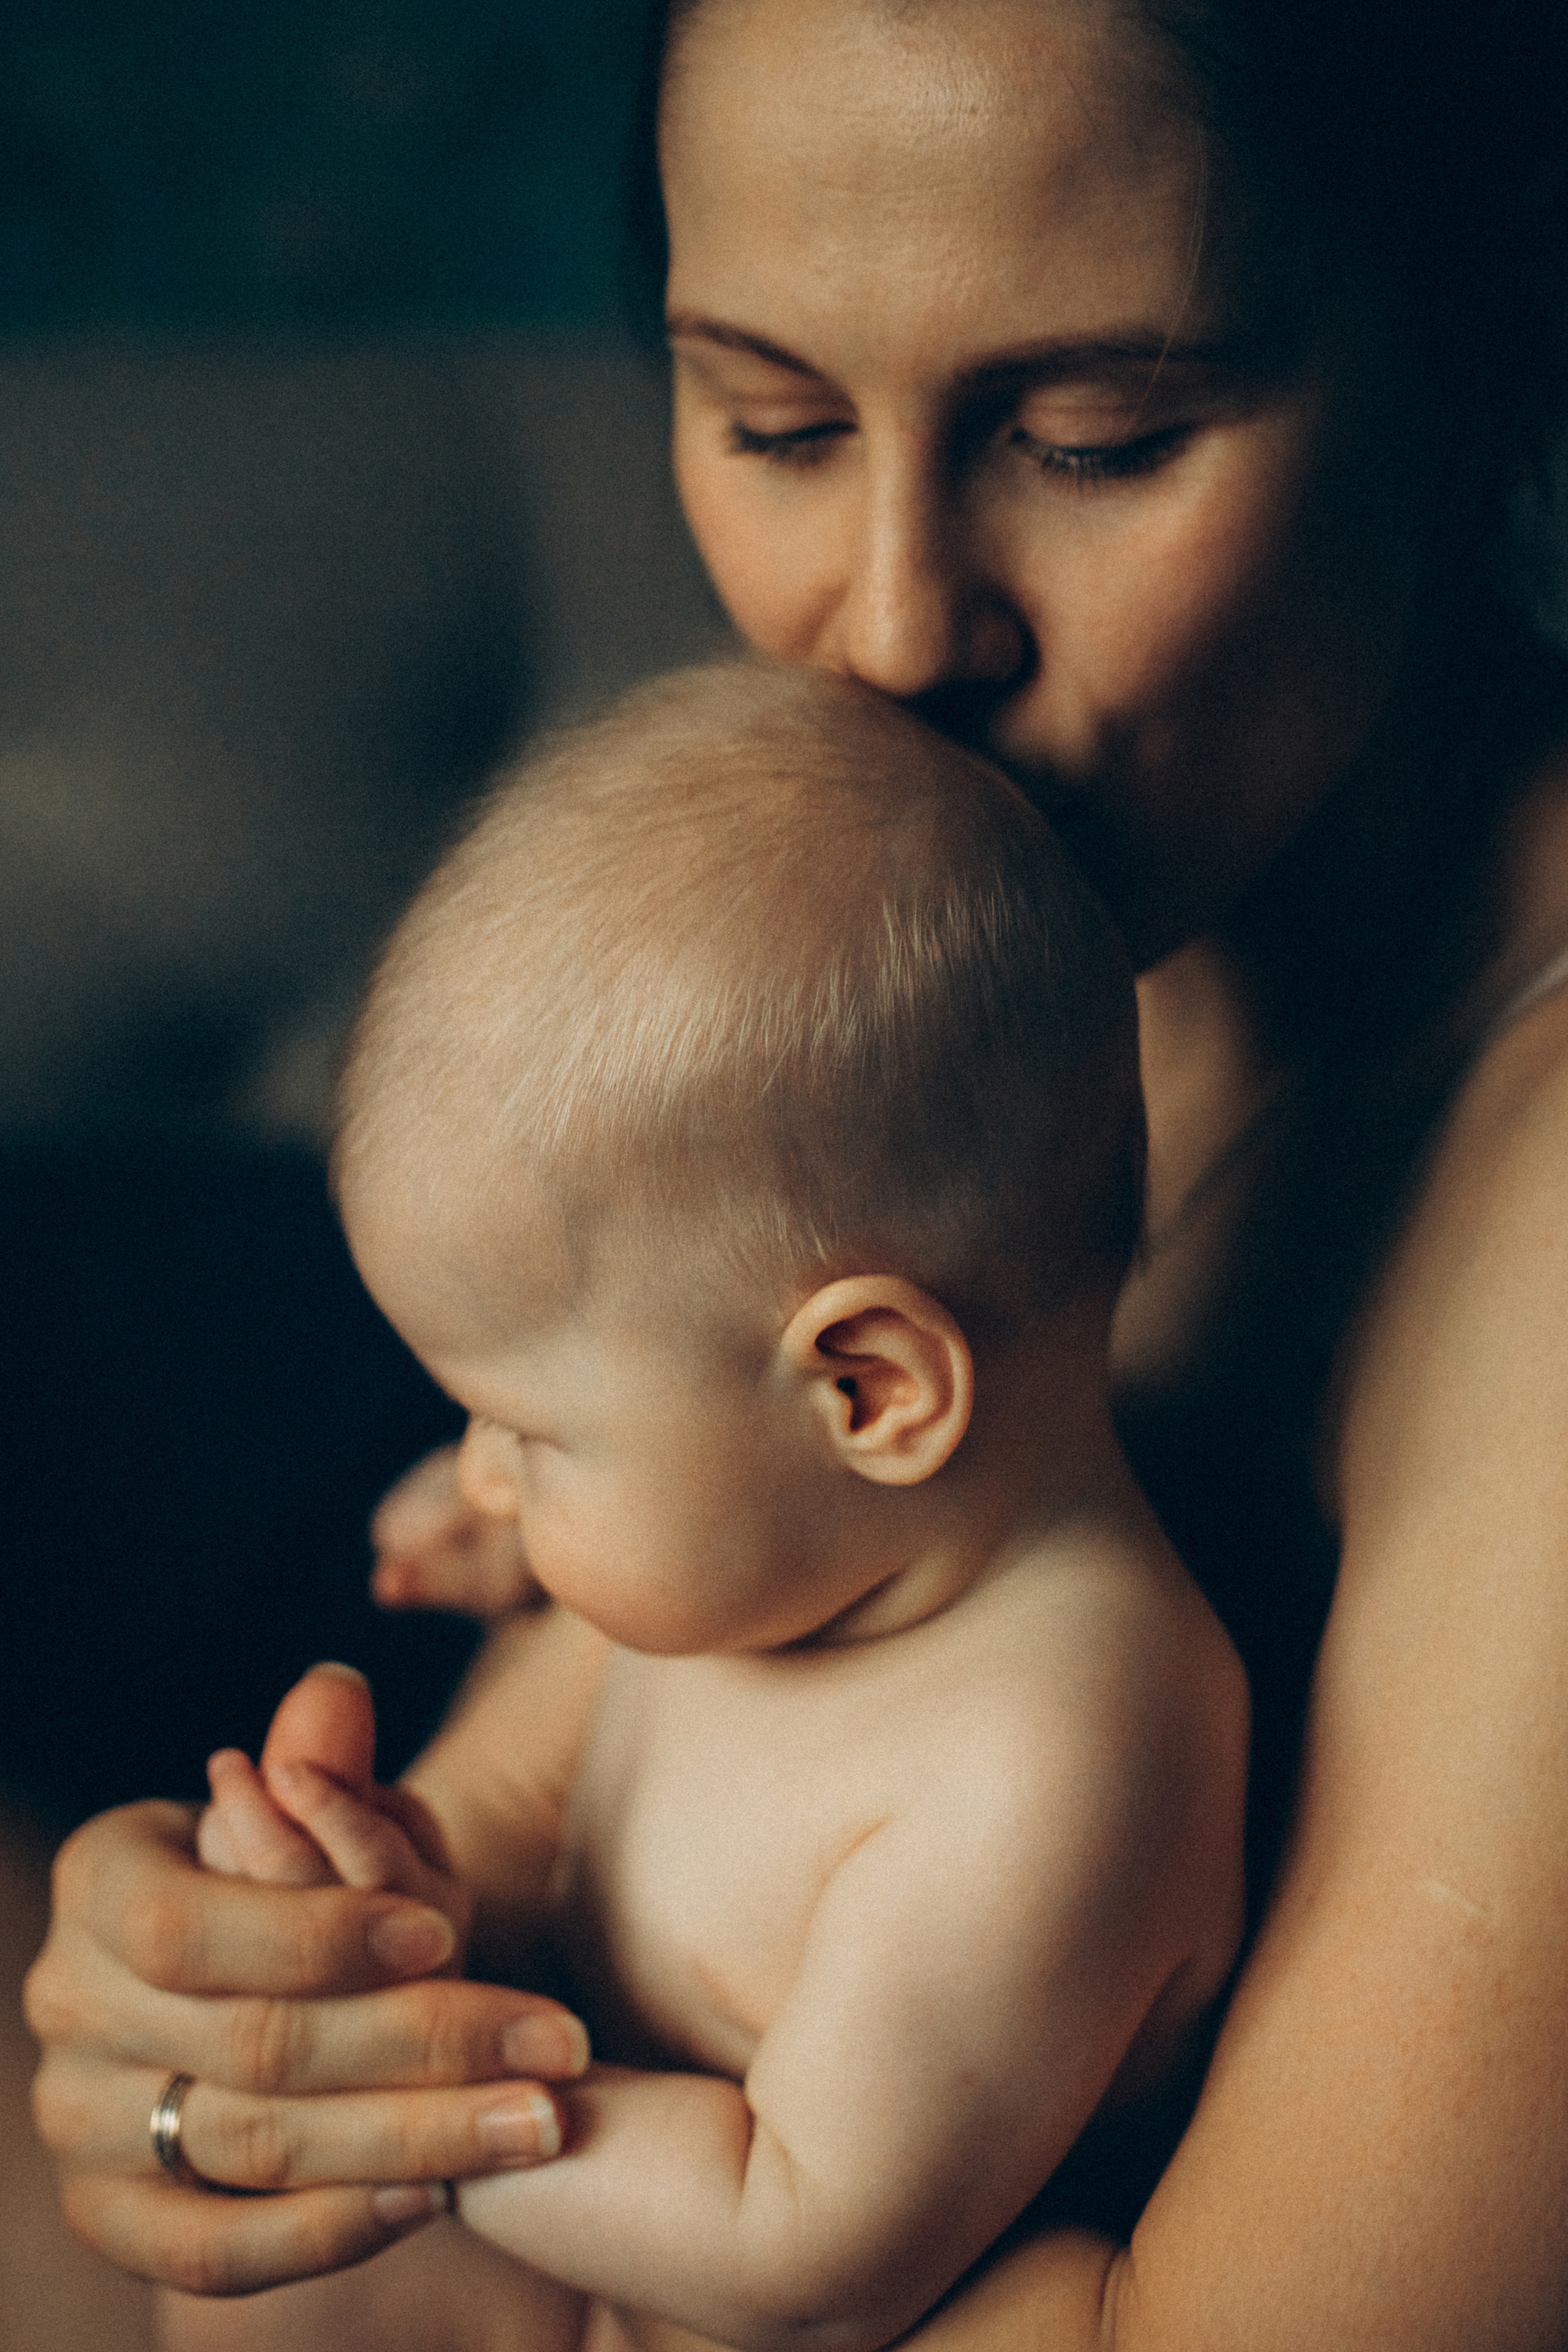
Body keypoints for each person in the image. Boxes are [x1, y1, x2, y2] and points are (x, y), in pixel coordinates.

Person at [24, 0, 1568, 2343]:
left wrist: (488, 2148)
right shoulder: (974, 892)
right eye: (774, 420)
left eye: (1098, 440)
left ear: (1488, 334)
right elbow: (541, 1779)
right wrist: (238, 2031)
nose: (890, 631)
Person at [179, 659, 1245, 2351]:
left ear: (868, 1391)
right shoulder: (814, 1554)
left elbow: (796, 2245)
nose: (478, 1471)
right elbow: (598, 1914)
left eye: (532, 1429)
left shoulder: (1054, 1759)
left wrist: (407, 2109)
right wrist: (406, 1932)